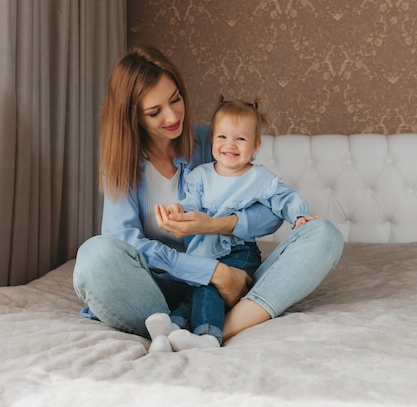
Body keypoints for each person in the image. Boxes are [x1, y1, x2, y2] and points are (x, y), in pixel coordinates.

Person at [72, 45, 344, 354]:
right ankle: (184, 322)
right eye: (155, 111)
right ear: (132, 116)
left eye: (176, 99)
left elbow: (268, 211)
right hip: (161, 289)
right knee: (95, 254)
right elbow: (125, 242)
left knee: (323, 235)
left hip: (231, 277)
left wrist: (218, 225)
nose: (173, 115)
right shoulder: (123, 164)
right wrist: (213, 274)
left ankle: (214, 329)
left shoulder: (213, 141)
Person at [152, 96, 322, 351]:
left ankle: (208, 337)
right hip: (203, 250)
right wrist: (179, 211)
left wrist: (298, 216)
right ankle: (169, 334)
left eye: (240, 139)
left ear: (255, 144)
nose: (229, 145)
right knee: (193, 288)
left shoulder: (259, 177)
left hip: (239, 251)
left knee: (209, 285)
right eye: (222, 137)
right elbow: (191, 203)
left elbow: (283, 198)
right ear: (212, 139)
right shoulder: (201, 175)